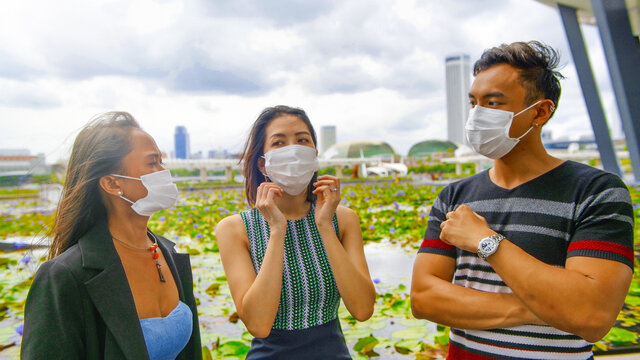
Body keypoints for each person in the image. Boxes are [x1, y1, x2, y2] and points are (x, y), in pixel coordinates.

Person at [411, 41, 634, 359]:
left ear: (540, 112)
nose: (477, 115)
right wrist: (545, 307)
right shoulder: (454, 197)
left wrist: (487, 241)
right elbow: (423, 299)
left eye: (493, 102)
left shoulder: (597, 192)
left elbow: (591, 317)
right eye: (474, 102)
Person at [21, 112, 202, 360]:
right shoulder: (65, 276)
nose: (164, 173)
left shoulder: (169, 254)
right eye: (152, 163)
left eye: (162, 162)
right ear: (113, 184)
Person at [216, 105, 375, 359]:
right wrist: (277, 231)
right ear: (262, 164)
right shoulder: (234, 229)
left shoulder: (343, 219)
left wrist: (324, 226)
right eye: (279, 143)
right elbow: (257, 324)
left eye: (302, 140)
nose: (293, 150)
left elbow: (363, 308)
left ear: (314, 155)